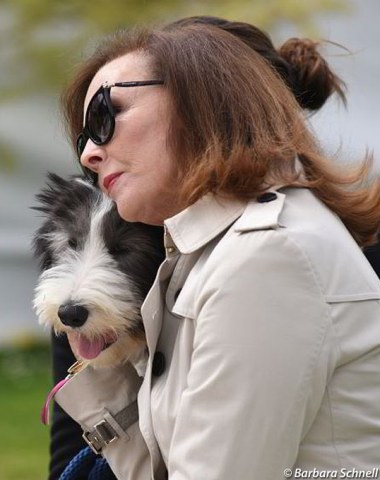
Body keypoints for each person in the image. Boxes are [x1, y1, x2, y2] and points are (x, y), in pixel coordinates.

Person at [51, 16, 380, 480]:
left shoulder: (265, 257)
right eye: (85, 136)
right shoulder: (203, 255)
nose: (88, 153)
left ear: (202, 99)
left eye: (106, 115)